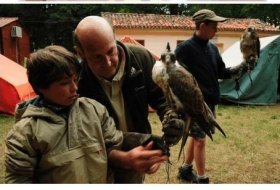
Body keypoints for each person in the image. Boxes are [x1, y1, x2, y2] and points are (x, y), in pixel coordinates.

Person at [4, 45, 168, 183]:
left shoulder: (95, 110)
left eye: (75, 80)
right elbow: (18, 181)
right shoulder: (25, 133)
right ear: (40, 87)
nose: (75, 88)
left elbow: (111, 147)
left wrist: (128, 159)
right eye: (64, 83)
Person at [73, 16, 185, 183]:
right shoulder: (76, 80)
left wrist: (172, 118)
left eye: (111, 51)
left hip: (139, 150)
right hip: (98, 161)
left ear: (115, 37)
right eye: (96, 57)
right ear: (80, 53)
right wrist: (121, 157)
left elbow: (162, 99)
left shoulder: (141, 58)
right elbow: (83, 138)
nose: (108, 62)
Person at [175, 9, 248, 184]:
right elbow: (176, 79)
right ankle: (202, 179)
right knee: (200, 140)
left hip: (212, 102)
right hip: (195, 106)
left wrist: (243, 66)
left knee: (197, 136)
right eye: (214, 26)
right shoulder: (183, 50)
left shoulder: (213, 49)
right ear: (202, 25)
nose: (217, 30)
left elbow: (222, 72)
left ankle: (185, 170)